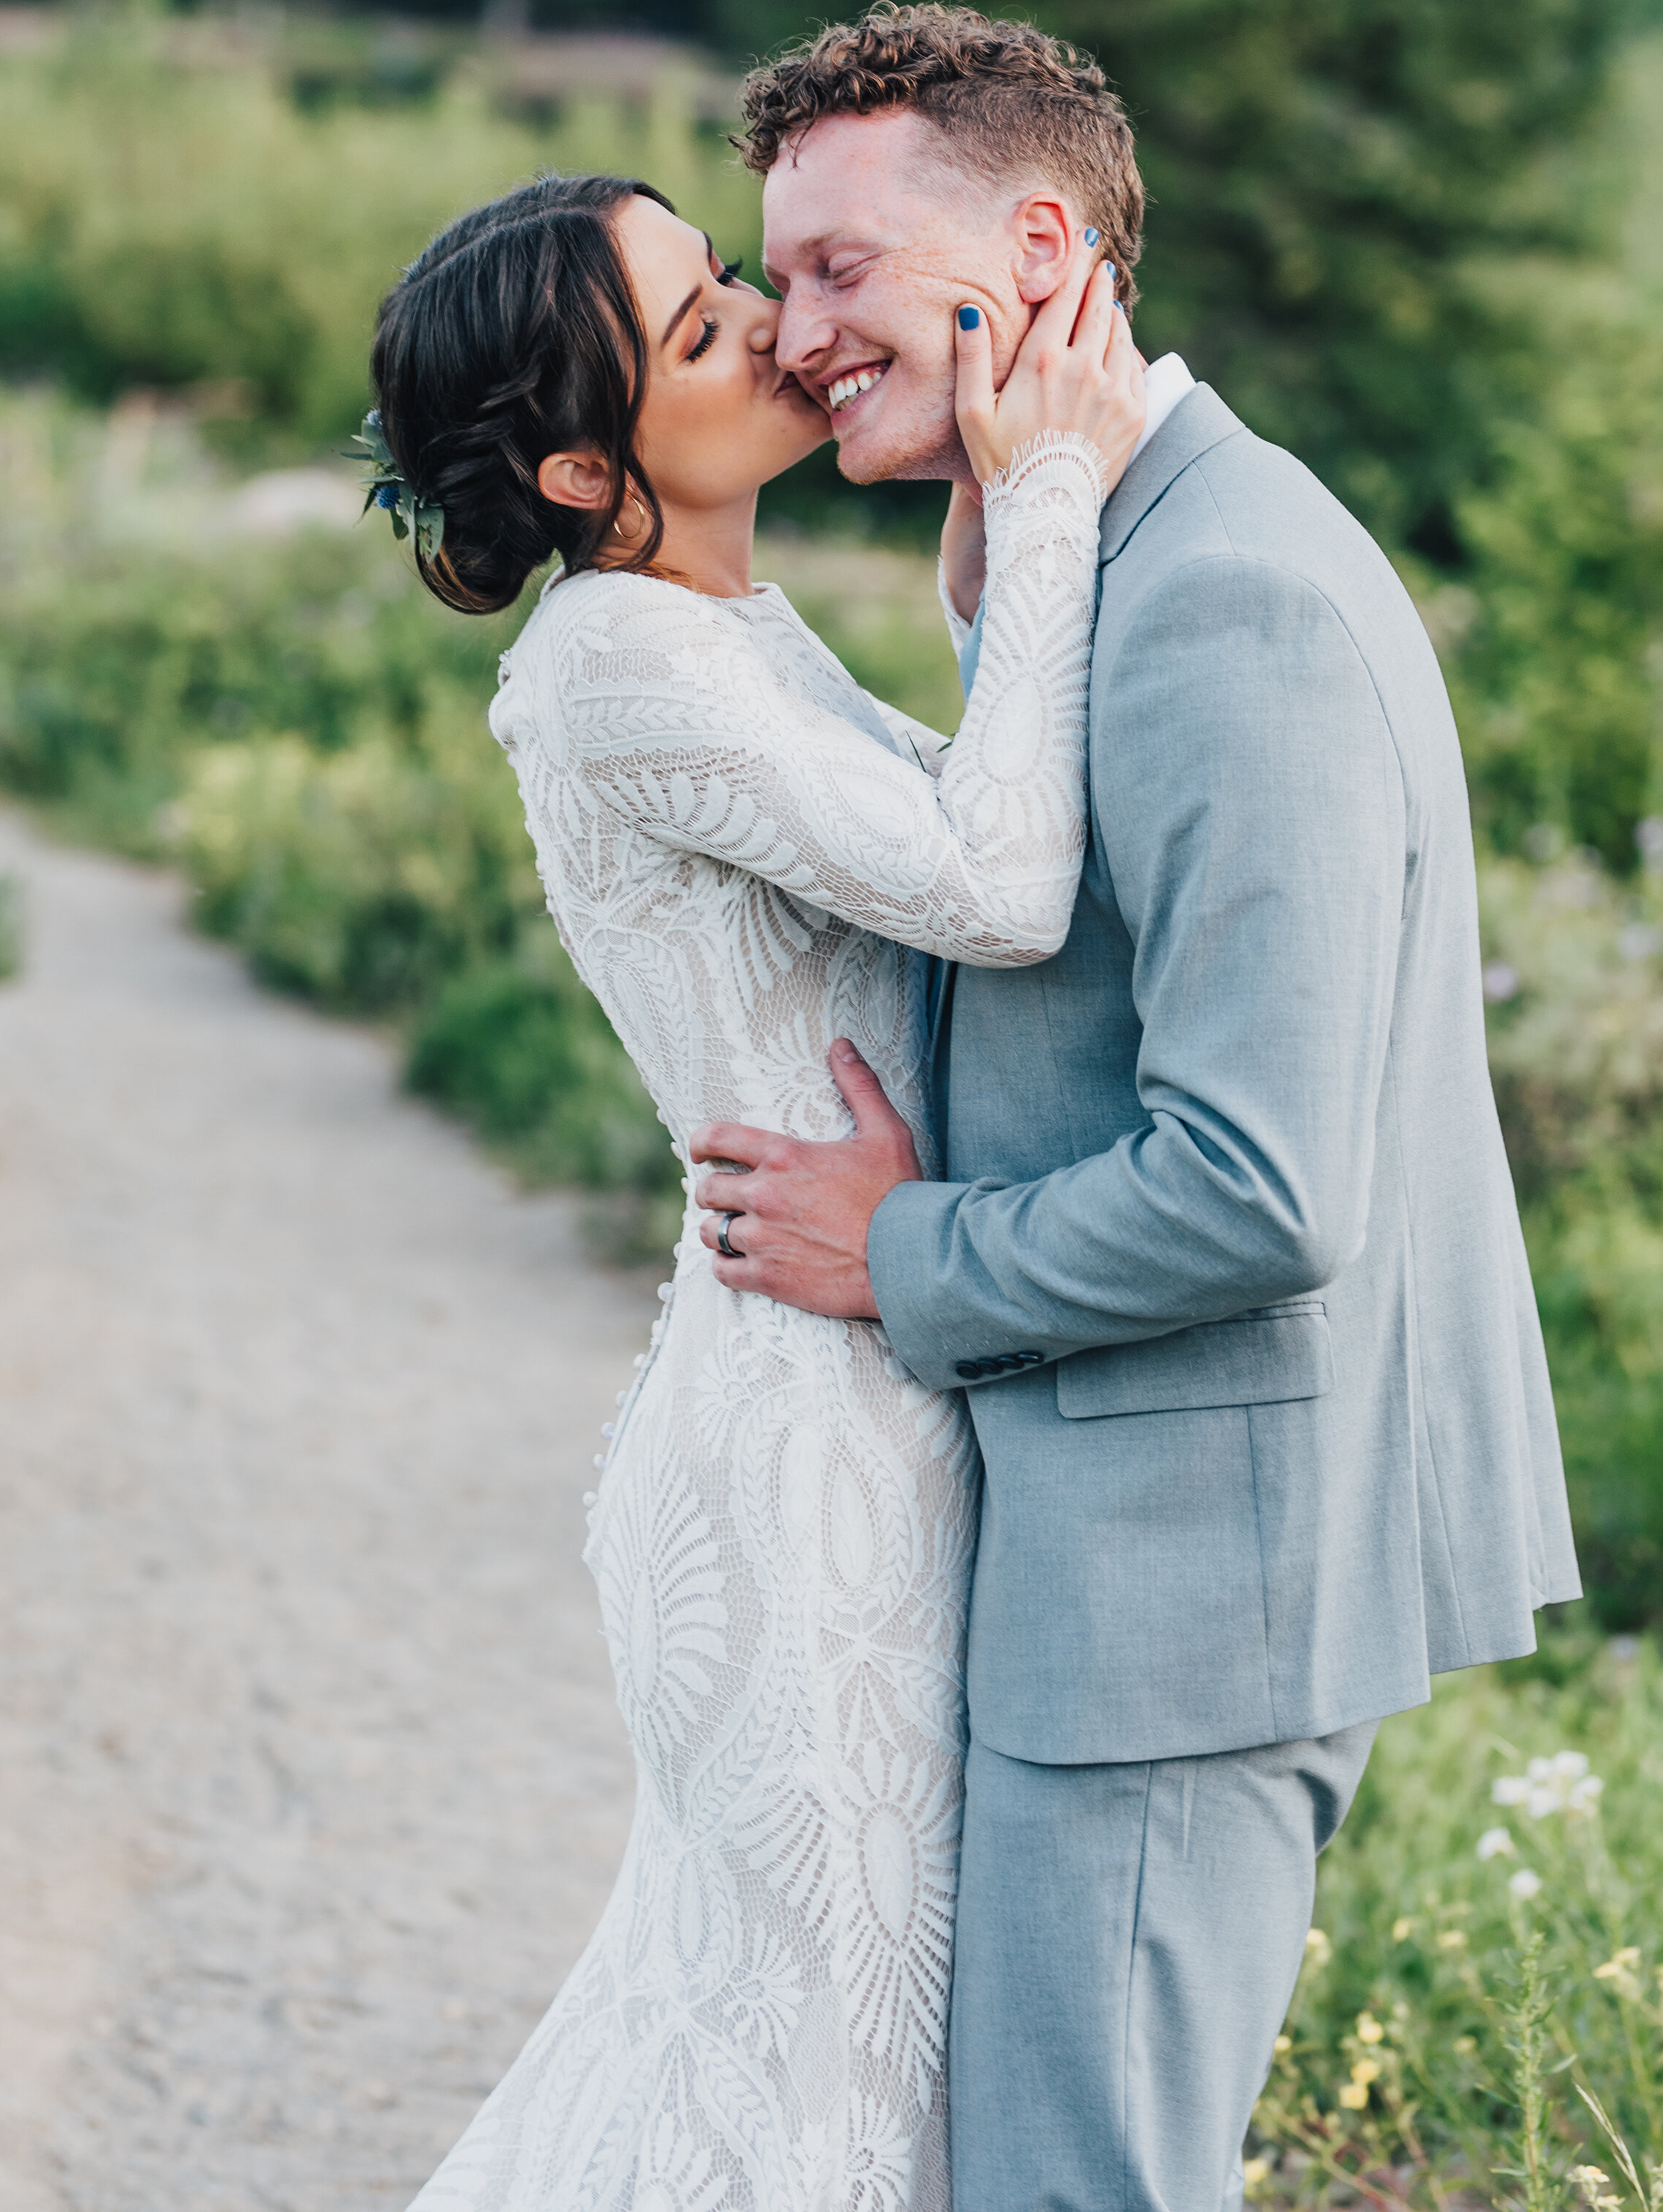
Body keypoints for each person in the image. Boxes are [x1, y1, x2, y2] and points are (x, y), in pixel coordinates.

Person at [689, 3, 1584, 2212]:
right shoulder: (1104, 553)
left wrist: (895, 1251)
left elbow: (1265, 1183)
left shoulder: (1229, 598)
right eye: (775, 274)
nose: (797, 330)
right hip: (1143, 1562)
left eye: (841, 268)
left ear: (1037, 249)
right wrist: (1006, 559)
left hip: (1185, 1590)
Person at [368, 168, 1147, 2210]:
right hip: (803, 1451)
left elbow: (951, 835)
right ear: (580, 469)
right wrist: (1053, 493)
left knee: (797, 2054)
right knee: (809, 2079)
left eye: (728, 279)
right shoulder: (620, 659)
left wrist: (983, 558)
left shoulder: (718, 627)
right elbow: (1002, 888)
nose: (776, 331)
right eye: (703, 333)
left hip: (853, 1384)